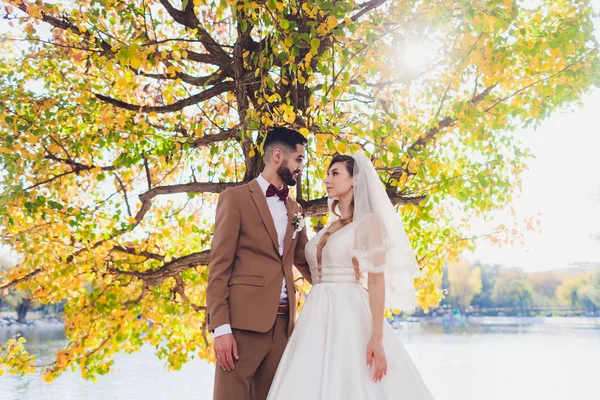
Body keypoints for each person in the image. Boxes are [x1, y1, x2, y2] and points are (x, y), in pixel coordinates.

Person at [266, 153, 435, 400]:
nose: (327, 180)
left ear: (355, 180)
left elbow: (376, 280)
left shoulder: (369, 223)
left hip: (349, 315)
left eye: (335, 173)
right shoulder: (329, 227)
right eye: (327, 174)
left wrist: (377, 339)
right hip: (315, 316)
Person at [206, 127, 312, 400]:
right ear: (278, 156)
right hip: (241, 327)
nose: (302, 167)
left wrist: (343, 280)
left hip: (283, 328)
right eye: (299, 159)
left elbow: (303, 260)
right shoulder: (235, 198)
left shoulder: (295, 210)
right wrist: (221, 328)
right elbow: (219, 267)